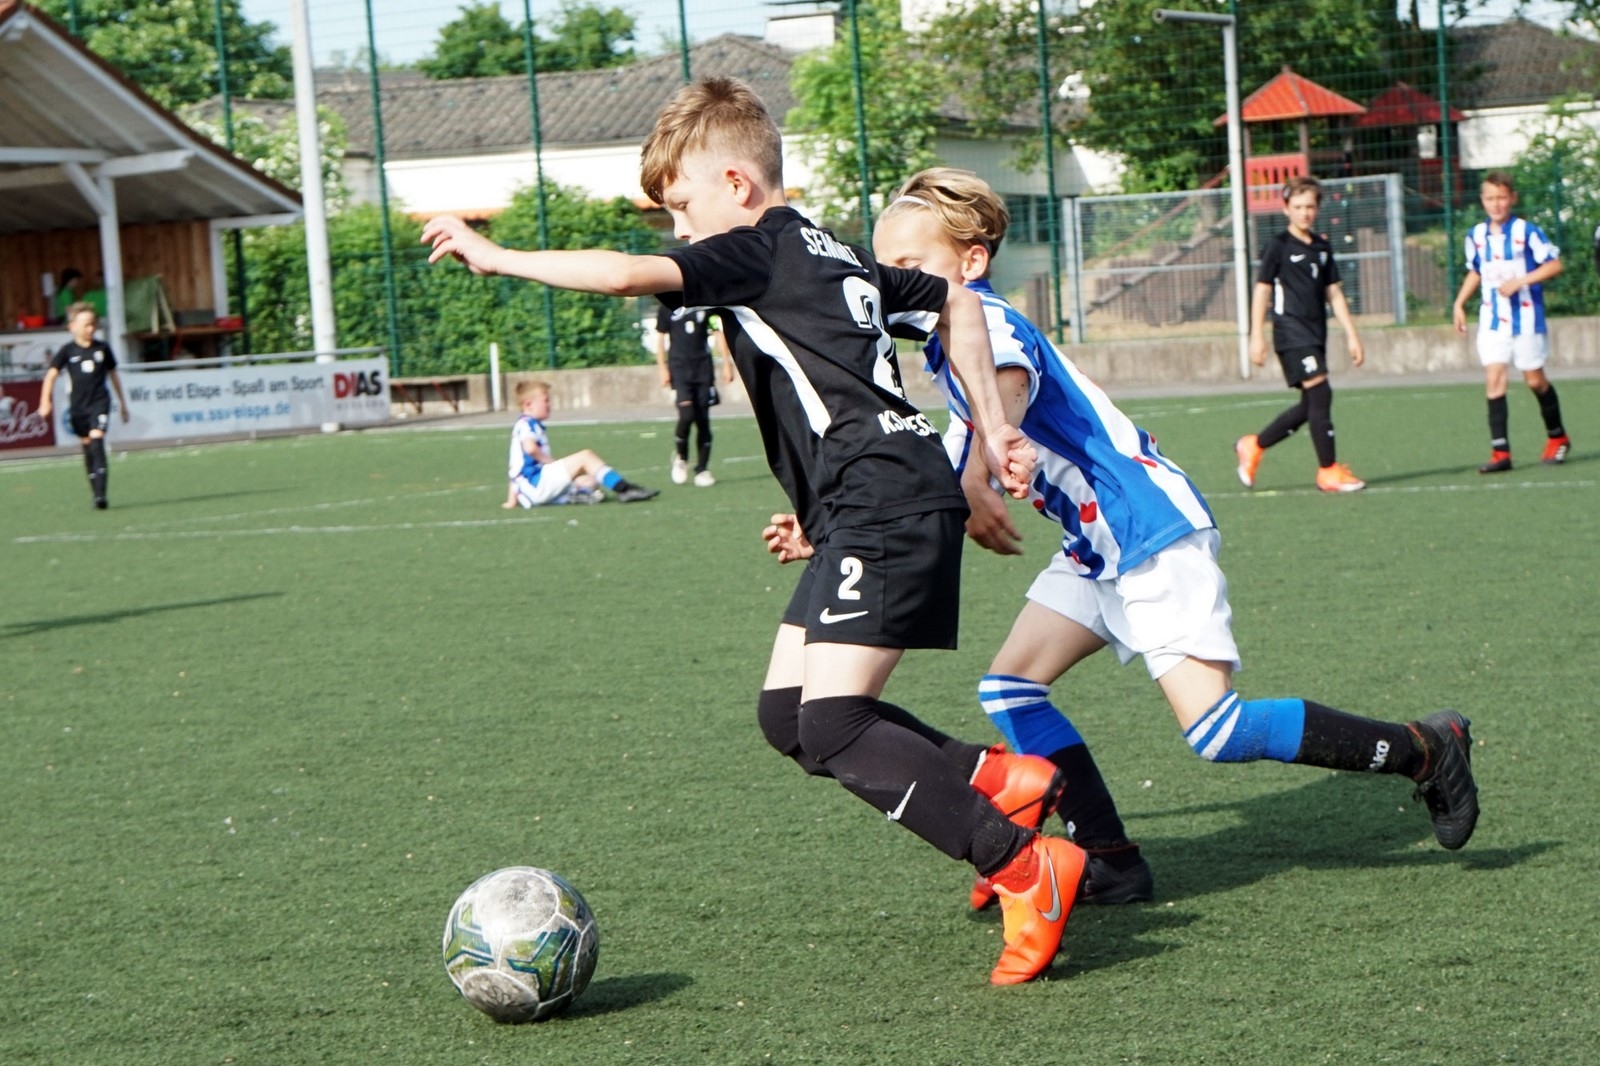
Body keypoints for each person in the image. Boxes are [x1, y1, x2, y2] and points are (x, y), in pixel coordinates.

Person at [425, 76, 1088, 986]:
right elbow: (955, 300)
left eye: (682, 207)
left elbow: (621, 275)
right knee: (789, 716)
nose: (680, 233)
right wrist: (990, 430)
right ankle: (998, 780)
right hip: (865, 505)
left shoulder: (755, 248)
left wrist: (493, 254)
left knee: (837, 723)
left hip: (883, 502)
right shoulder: (831, 248)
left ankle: (1021, 865)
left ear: (736, 184)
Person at [863, 167, 1480, 912]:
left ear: (970, 262)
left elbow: (1007, 393)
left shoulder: (986, 323)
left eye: (910, 264)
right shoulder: (945, 345)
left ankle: (1425, 748)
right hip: (1097, 545)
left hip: (1145, 528)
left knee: (1217, 730)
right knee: (1010, 686)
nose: (894, 281)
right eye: (884, 267)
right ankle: (1109, 859)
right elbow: (958, 445)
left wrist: (986, 461)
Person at [1235, 176, 1367, 493]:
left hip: (1316, 333)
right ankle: (1328, 471)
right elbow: (1262, 291)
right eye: (1297, 207)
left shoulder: (1322, 247)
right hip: (1290, 333)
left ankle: (1254, 444)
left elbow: (1334, 293)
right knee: (1322, 393)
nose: (1304, 213)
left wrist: (1352, 335)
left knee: (1311, 404)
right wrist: (1256, 336)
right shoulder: (1278, 246)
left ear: (1317, 209)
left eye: (1309, 206)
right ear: (1286, 209)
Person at [1451, 172, 1569, 473]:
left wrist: (1521, 281)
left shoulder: (1526, 231)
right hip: (1492, 320)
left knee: (1535, 380)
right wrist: (1459, 303)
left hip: (1526, 318)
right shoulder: (1476, 235)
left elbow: (1555, 264)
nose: (1496, 204)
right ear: (1482, 200)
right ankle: (1500, 452)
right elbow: (1476, 270)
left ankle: (1557, 436)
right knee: (1494, 378)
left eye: (1501, 197)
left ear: (1512, 198)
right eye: (1490, 198)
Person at [502, 379, 657, 508]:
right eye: (546, 400)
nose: (549, 404)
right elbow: (530, 449)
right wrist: (552, 464)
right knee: (585, 457)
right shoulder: (527, 424)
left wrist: (512, 501)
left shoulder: (527, 424)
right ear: (528, 404)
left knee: (591, 481)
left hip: (533, 490)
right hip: (536, 484)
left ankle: (571, 496)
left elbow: (514, 468)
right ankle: (625, 489)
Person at [37, 302, 129, 509]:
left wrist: (123, 403)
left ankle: (102, 496)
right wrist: (45, 401)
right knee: (87, 447)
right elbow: (50, 376)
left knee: (97, 441)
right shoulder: (67, 351)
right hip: (78, 407)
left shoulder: (102, 348)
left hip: (100, 402)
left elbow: (113, 375)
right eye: (86, 324)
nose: (90, 328)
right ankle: (96, 493)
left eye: (93, 324)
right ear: (72, 327)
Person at [655, 304, 733, 486]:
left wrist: (726, 364)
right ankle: (681, 457)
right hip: (679, 370)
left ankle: (702, 470)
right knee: (686, 415)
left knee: (703, 420)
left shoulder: (705, 305)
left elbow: (717, 332)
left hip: (703, 370)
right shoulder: (667, 306)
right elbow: (660, 338)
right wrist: (662, 368)